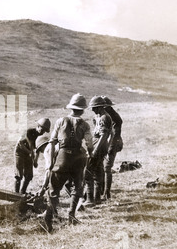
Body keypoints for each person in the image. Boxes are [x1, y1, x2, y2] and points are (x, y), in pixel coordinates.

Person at [40, 94, 94, 232]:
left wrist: (52, 162)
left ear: (71, 108)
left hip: (62, 157)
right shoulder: (85, 125)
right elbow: (89, 144)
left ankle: (48, 221)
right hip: (77, 159)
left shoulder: (60, 121)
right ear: (82, 110)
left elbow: (52, 142)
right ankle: (72, 215)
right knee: (78, 187)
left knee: (54, 190)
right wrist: (90, 153)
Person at [83, 95, 113, 207]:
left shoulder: (104, 118)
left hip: (98, 148)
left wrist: (95, 150)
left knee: (88, 172)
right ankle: (96, 198)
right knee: (97, 172)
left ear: (100, 107)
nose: (92, 110)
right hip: (100, 148)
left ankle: (90, 199)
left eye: (94, 108)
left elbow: (104, 135)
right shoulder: (100, 117)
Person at [14, 118, 51, 194]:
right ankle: (16, 194)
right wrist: (30, 153)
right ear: (38, 126)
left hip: (29, 154)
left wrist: (35, 160)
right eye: (42, 129)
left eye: (45, 130)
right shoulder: (29, 132)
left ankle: (22, 192)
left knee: (29, 175)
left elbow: (38, 148)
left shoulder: (40, 136)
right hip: (20, 152)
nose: (43, 132)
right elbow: (20, 143)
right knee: (19, 174)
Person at [101, 96, 123, 200]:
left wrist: (110, 148)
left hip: (112, 144)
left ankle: (106, 192)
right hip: (106, 143)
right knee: (102, 167)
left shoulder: (115, 119)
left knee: (107, 168)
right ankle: (102, 190)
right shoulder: (106, 116)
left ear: (107, 107)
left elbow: (115, 135)